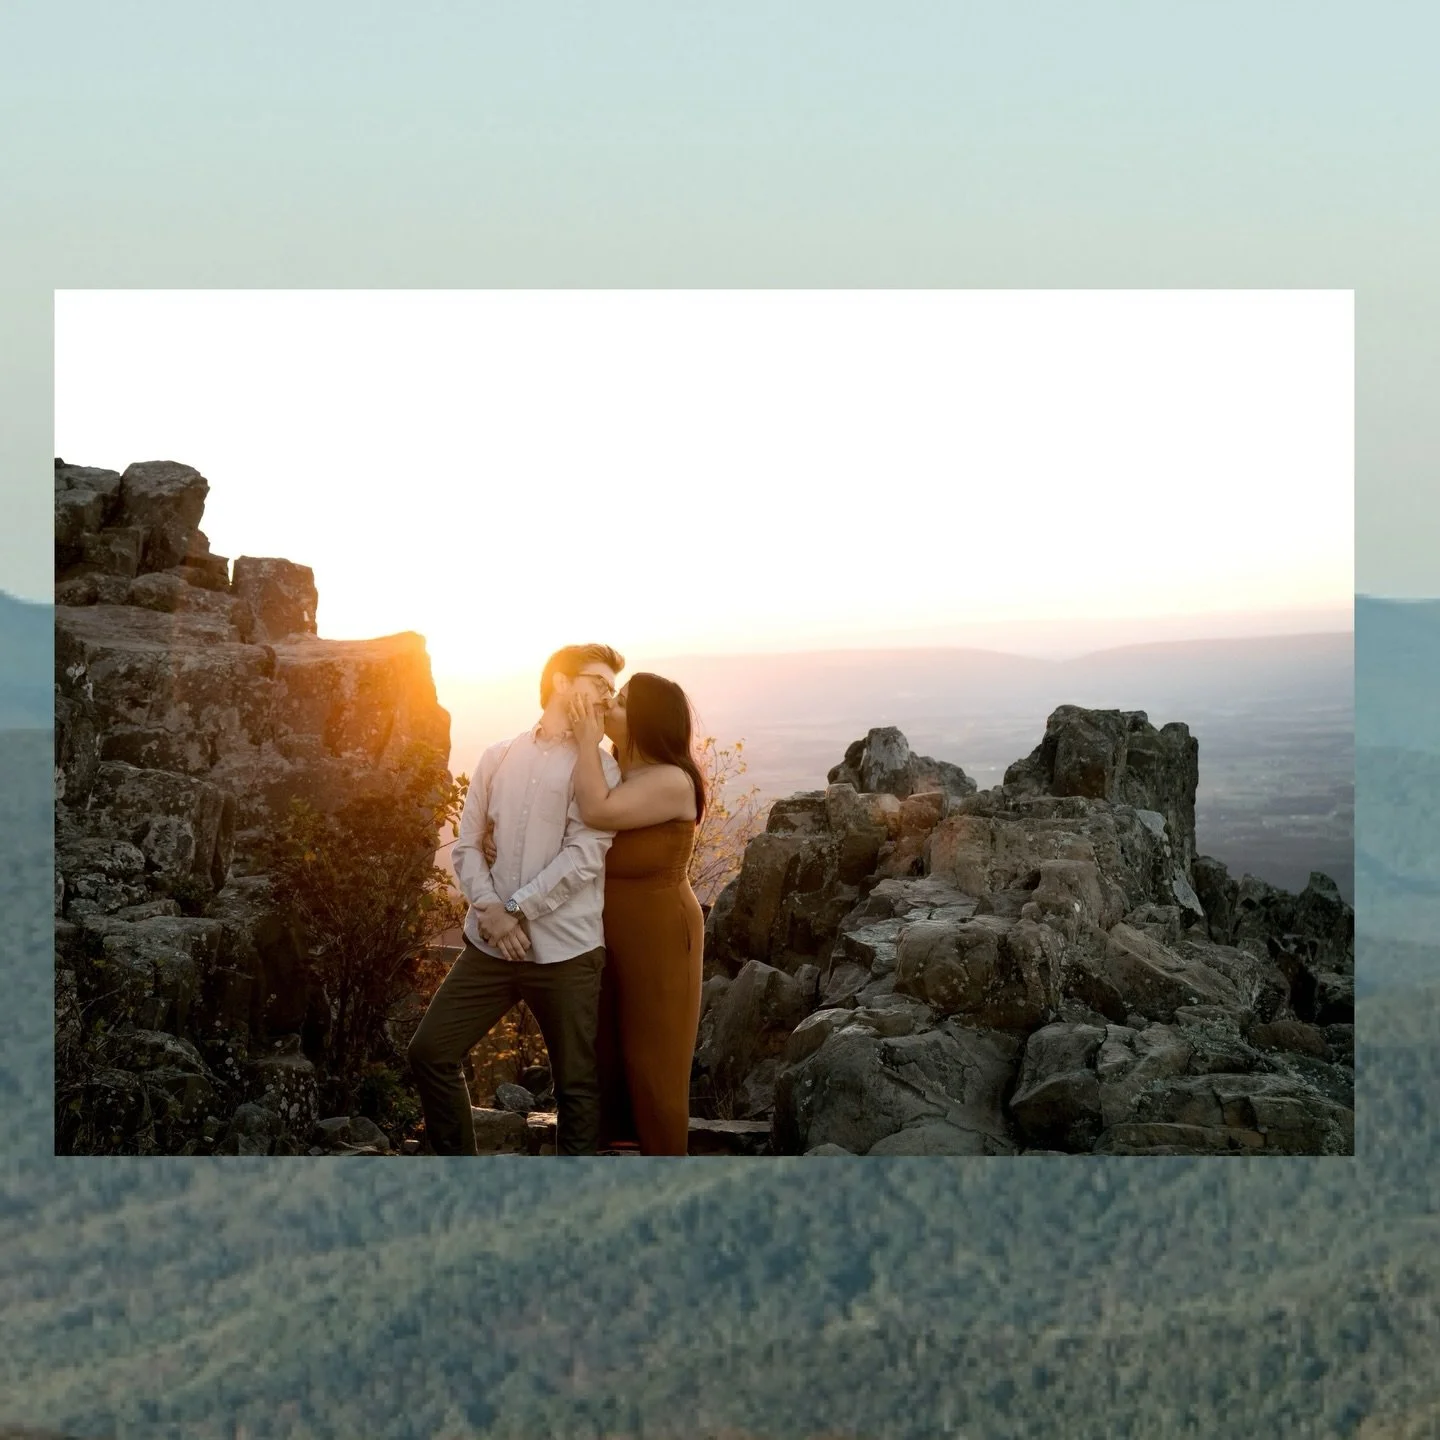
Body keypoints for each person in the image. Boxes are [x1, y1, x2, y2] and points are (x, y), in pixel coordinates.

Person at [406, 643, 624, 1155]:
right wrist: (490, 912)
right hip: (490, 945)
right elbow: (466, 844)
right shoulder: (498, 755)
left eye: (611, 689)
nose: (606, 696)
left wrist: (515, 909)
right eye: (597, 683)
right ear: (560, 683)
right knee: (430, 1052)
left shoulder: (601, 770)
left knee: (576, 1085)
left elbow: (584, 857)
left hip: (566, 951)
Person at [568, 672, 707, 1156]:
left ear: (647, 721)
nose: (609, 705)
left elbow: (597, 813)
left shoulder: (671, 780)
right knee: (607, 1061)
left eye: (622, 702)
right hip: (607, 937)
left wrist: (587, 743)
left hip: (660, 937)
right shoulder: (615, 770)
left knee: (653, 1069)